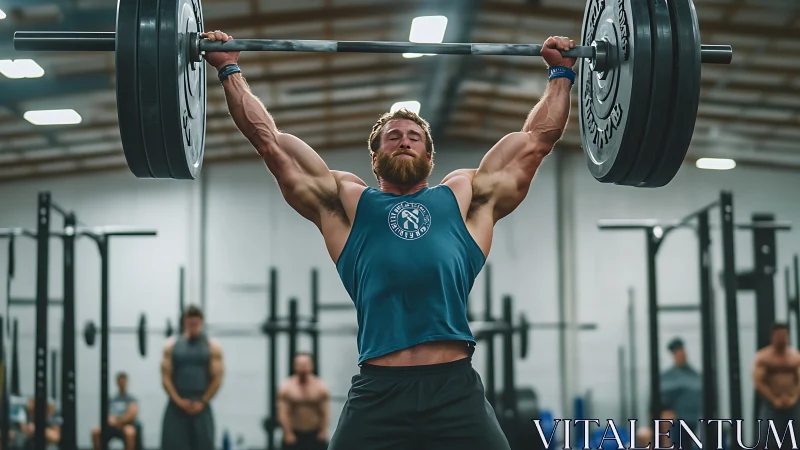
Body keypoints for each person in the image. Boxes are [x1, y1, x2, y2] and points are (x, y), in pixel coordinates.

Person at [203, 29, 576, 449]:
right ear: (376, 156)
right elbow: (270, 143)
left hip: (453, 389)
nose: (403, 140)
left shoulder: (465, 198)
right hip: (378, 391)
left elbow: (536, 142)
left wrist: (561, 73)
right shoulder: (346, 204)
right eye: (393, 137)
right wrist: (229, 67)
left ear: (429, 158)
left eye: (414, 137)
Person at [160, 305, 225, 450]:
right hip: (177, 405)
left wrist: (203, 401)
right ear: (184, 322)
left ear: (201, 322)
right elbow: (165, 377)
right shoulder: (170, 345)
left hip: (201, 404)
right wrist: (179, 401)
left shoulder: (213, 347)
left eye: (196, 323)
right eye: (190, 323)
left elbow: (218, 378)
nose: (193, 327)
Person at [753, 322, 800, 449]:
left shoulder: (795, 357)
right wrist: (774, 400)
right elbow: (758, 382)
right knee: (768, 441)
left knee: (796, 440)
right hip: (772, 404)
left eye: (784, 335)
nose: (781, 338)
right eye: (778, 335)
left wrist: (794, 398)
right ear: (772, 336)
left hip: (792, 404)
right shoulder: (764, 357)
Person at [277, 353, 330, 450]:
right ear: (295, 366)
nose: (303, 366)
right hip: (294, 433)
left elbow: (325, 412)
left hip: (314, 433)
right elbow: (283, 413)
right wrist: (288, 433)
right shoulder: (287, 387)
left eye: (305, 363)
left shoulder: (320, 387)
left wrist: (323, 431)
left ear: (311, 365)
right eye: (300, 364)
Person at [660, 338, 702, 448]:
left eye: (682, 351)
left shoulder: (695, 375)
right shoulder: (668, 377)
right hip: (678, 423)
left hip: (696, 420)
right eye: (677, 352)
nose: (681, 355)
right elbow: (662, 403)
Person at [91, 371, 139, 450]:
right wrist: (110, 420)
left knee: (130, 432)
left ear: (126, 382)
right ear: (117, 382)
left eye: (123, 381)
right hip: (111, 425)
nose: (122, 383)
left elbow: (132, 414)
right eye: (120, 381)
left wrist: (118, 421)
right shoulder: (112, 399)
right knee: (95, 431)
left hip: (124, 425)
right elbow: (105, 413)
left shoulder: (131, 399)